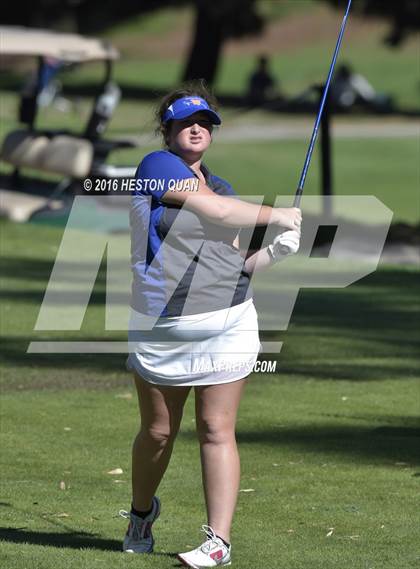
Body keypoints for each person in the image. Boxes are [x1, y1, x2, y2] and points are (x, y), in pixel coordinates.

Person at [119, 80, 302, 568]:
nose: (196, 129)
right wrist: (278, 214)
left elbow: (238, 264)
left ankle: (217, 541)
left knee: (216, 429)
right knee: (158, 432)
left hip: (229, 319)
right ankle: (141, 513)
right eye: (185, 122)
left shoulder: (222, 186)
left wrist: (276, 253)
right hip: (164, 323)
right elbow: (216, 212)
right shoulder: (158, 168)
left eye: (205, 123)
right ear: (167, 129)